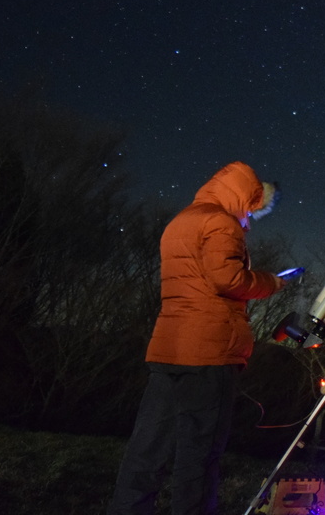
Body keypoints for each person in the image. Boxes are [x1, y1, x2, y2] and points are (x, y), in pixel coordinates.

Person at [107, 161, 288, 515]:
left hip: (169, 346)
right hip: (208, 352)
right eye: (253, 209)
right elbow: (228, 280)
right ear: (247, 197)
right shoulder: (221, 222)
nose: (250, 218)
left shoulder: (181, 220)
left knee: (148, 446)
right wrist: (270, 282)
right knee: (199, 454)